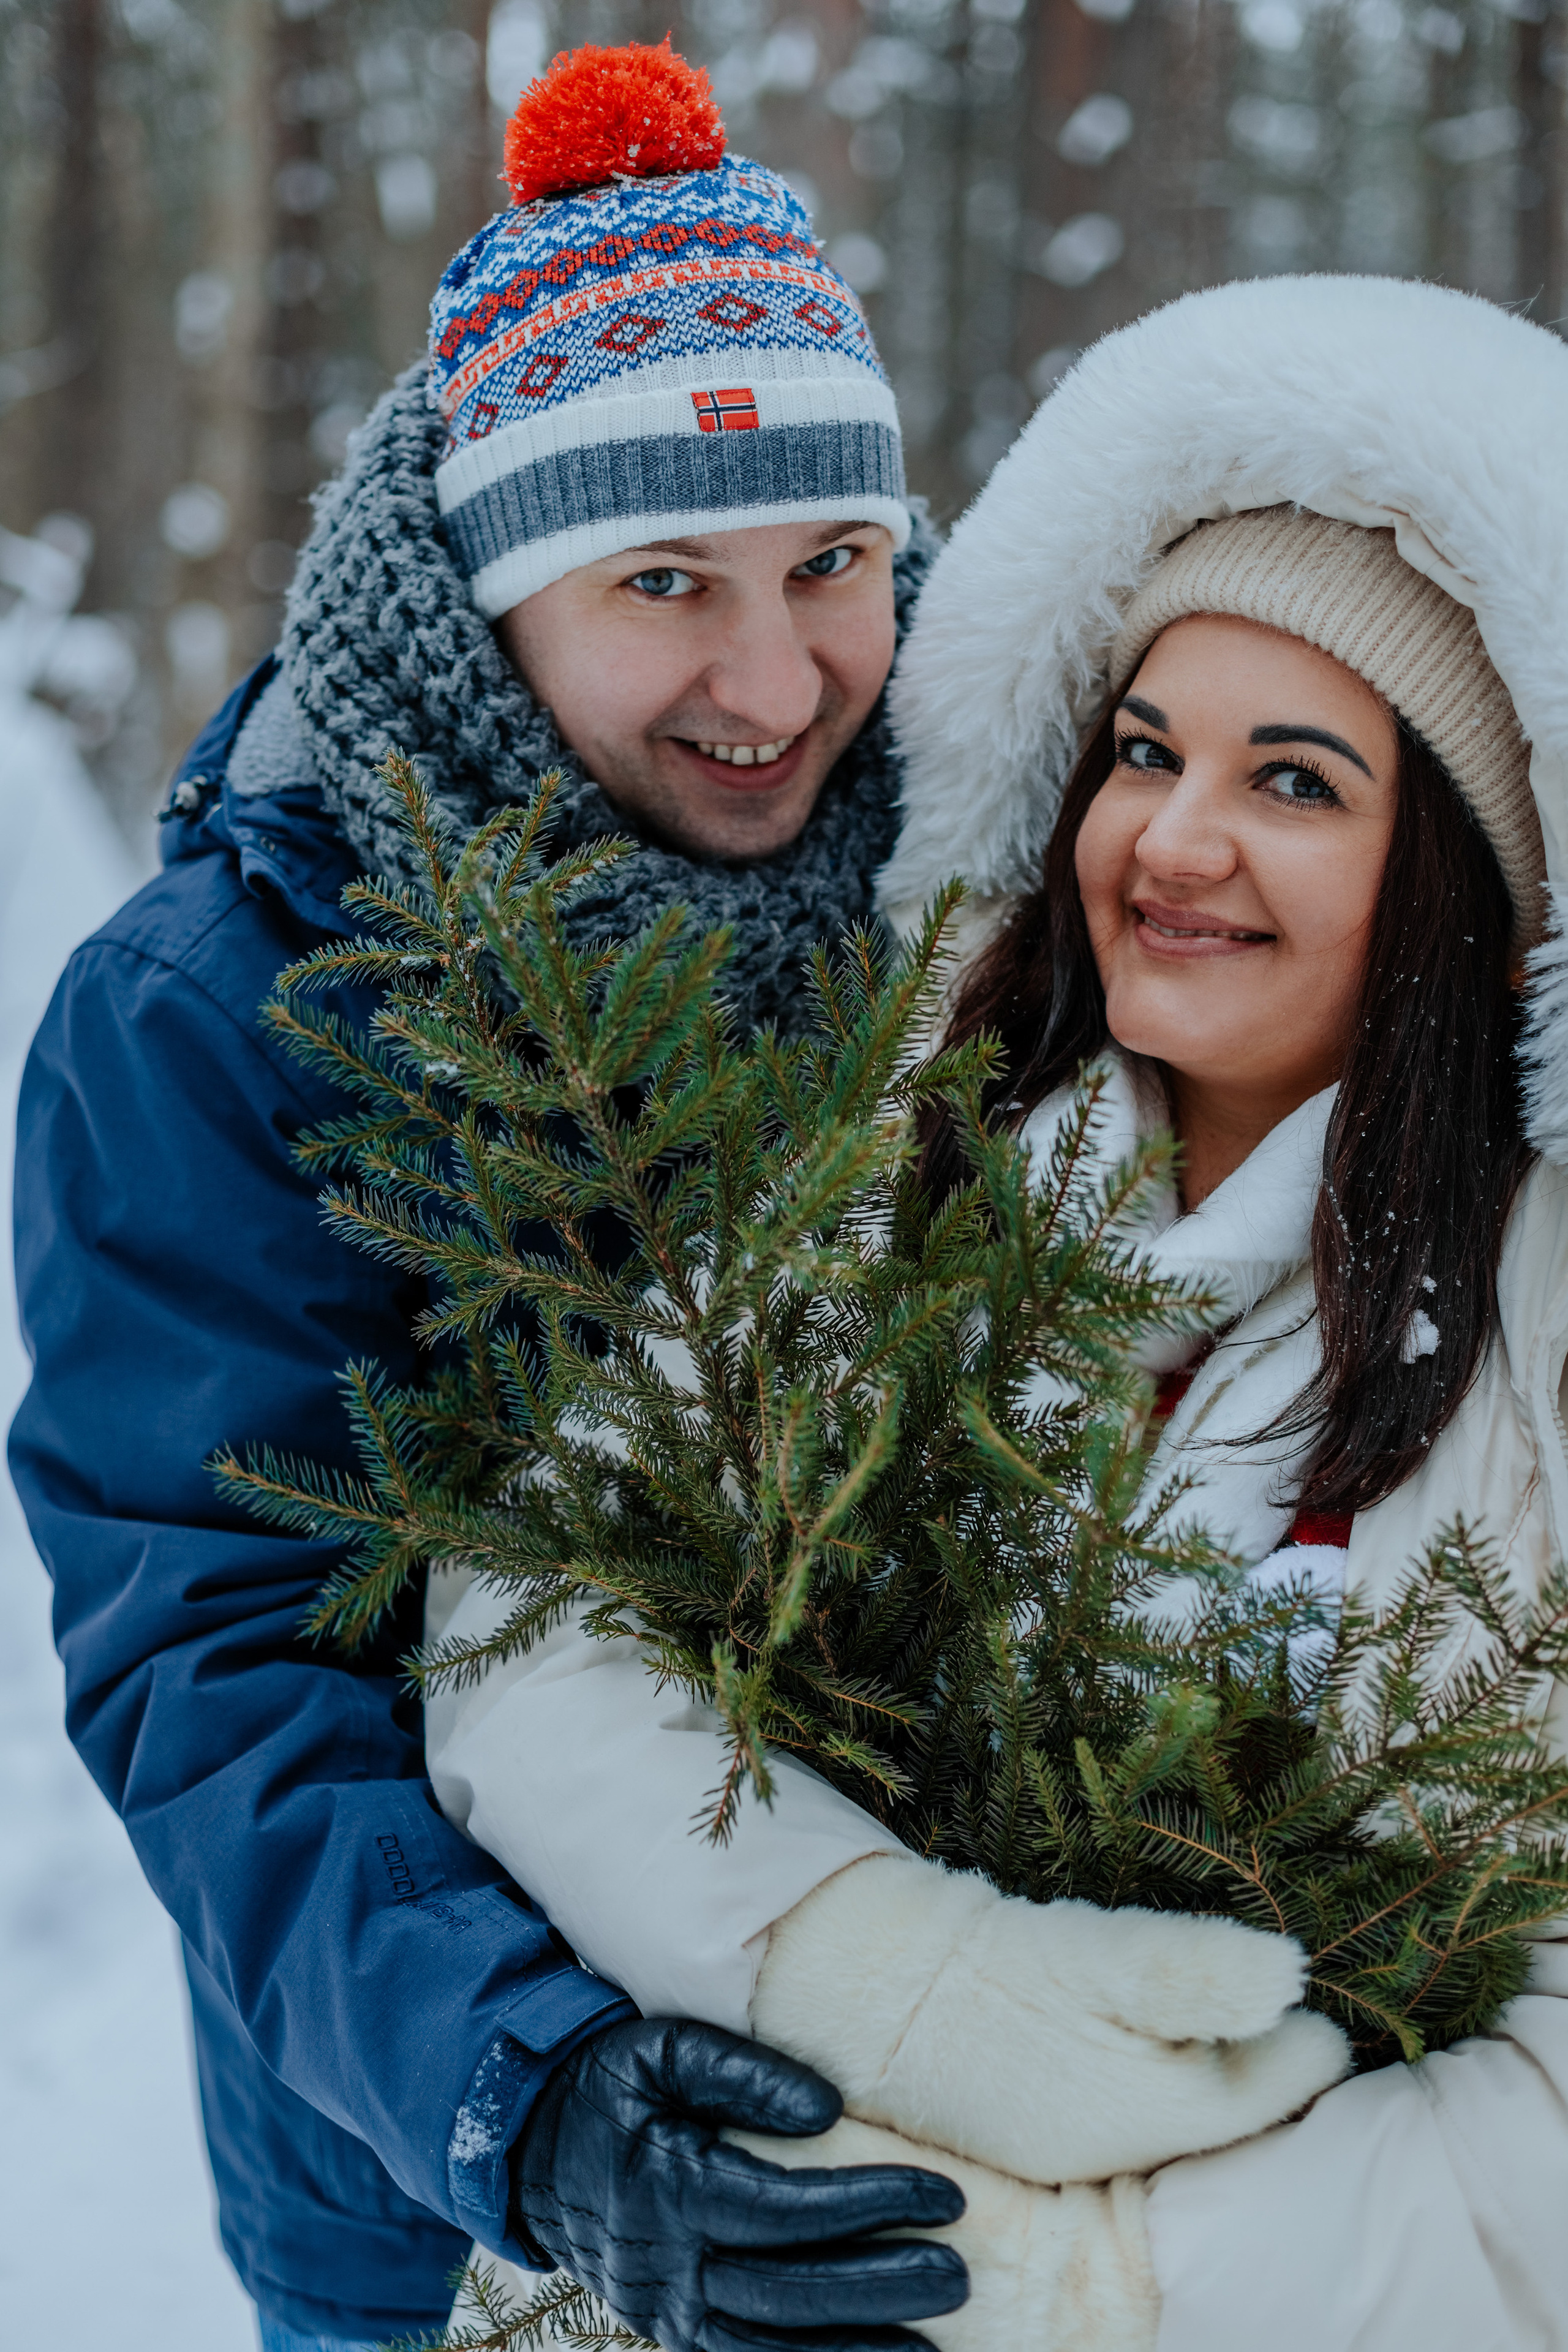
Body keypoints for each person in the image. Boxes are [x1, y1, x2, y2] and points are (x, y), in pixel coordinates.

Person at [427, 271, 1568, 2348]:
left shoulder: (1537, 1342)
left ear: (1471, 904)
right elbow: (539, 1612)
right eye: (1146, 751)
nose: (1176, 837)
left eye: (1296, 783)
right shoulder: (924, 1156)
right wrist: (865, 1957)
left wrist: (1100, 2288)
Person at [8, 41, 978, 2352]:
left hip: (950, 2127)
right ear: (485, 590)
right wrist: (523, 2102)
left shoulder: (978, 902)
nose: (779, 679)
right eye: (665, 580)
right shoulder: (217, 1016)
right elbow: (219, 1656)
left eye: (832, 562)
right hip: (428, 2193)